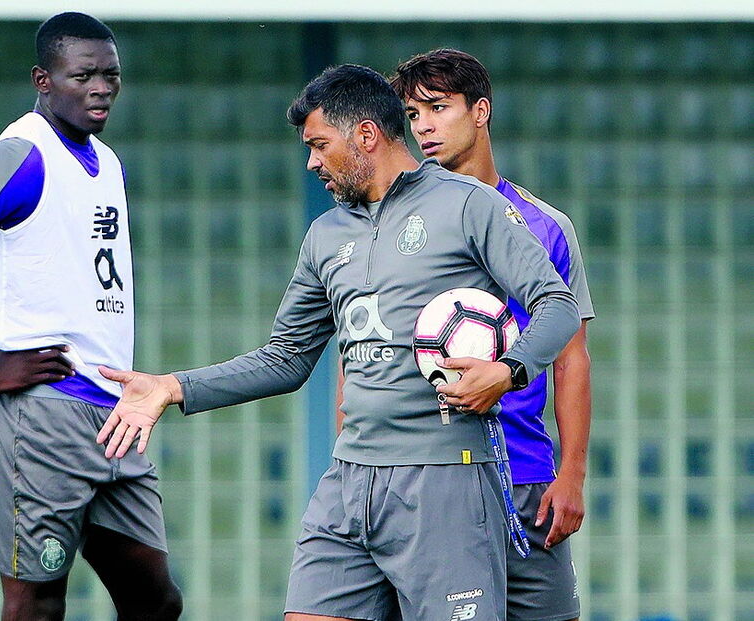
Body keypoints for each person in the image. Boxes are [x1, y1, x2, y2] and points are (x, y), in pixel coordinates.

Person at [95, 64, 580, 621]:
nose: (312, 163)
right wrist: (173, 386)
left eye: (320, 146)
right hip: (349, 480)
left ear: (366, 135)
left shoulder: (469, 205)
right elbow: (286, 357)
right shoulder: (326, 236)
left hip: (445, 478)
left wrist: (509, 370)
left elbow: (558, 305)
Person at [0, 12, 181, 621]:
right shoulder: (22, 155)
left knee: (155, 602)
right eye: (83, 76)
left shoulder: (108, 161)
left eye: (111, 75)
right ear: (42, 80)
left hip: (112, 412)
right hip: (39, 412)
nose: (101, 88)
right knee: (39, 603)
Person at [383, 48, 595, 621]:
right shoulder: (395, 225)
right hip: (430, 479)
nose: (423, 126)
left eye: (438, 108)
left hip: (527, 477)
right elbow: (363, 358)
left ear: (480, 112)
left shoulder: (546, 226)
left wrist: (571, 475)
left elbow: (571, 359)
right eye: (413, 114)